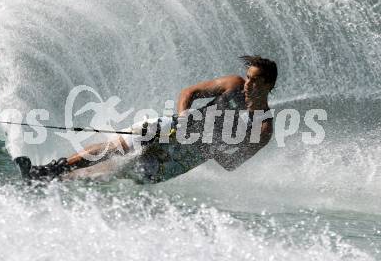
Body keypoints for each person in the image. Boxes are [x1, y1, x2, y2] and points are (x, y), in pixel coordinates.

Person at [14, 55, 277, 184]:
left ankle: (61, 182)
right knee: (116, 147)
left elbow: (232, 163)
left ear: (267, 84)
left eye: (254, 80)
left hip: (187, 156)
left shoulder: (263, 126)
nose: (247, 83)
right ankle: (47, 171)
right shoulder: (232, 84)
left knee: (119, 172)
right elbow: (190, 92)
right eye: (248, 76)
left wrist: (211, 146)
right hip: (176, 127)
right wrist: (184, 114)